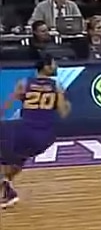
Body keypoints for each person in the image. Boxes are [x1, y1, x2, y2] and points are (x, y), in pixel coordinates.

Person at [0, 54, 70, 209]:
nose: (56, 66)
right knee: (17, 160)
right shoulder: (56, 86)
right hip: (45, 135)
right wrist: (66, 103)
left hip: (24, 130)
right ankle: (7, 189)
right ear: (46, 67)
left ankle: (6, 187)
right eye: (54, 64)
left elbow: (7, 105)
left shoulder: (24, 83)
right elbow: (63, 113)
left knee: (6, 157)